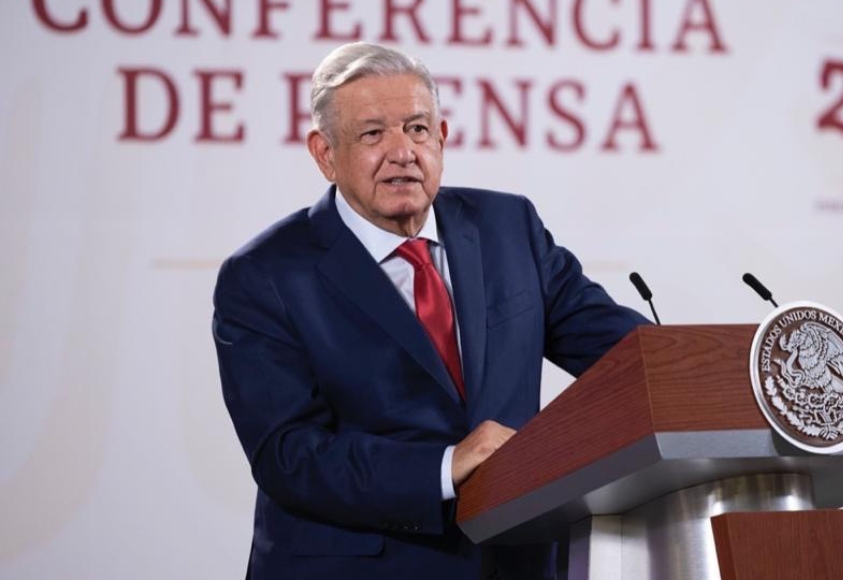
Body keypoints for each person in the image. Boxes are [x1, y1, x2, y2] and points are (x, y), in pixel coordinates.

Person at [211, 42, 648, 580]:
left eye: (417, 129)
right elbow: (289, 456)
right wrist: (445, 466)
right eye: (373, 134)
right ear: (324, 154)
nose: (402, 152)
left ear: (441, 138)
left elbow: (627, 356)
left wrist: (712, 375)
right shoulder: (265, 275)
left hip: (514, 559)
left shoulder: (507, 226)